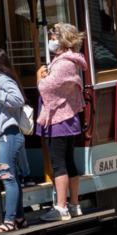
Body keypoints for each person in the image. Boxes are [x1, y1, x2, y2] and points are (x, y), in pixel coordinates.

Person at [36, 24, 90, 218]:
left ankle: (61, 207)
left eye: (54, 38)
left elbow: (47, 89)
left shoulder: (63, 63)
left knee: (59, 164)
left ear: (64, 40)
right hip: (68, 119)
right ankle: (74, 204)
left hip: (59, 121)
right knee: (68, 162)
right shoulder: (70, 61)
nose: (51, 41)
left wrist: (39, 78)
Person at [0, 67, 31, 232]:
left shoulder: (1, 80)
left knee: (8, 177)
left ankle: (10, 221)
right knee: (13, 178)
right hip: (8, 136)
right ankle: (19, 218)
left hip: (9, 135)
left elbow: (18, 99)